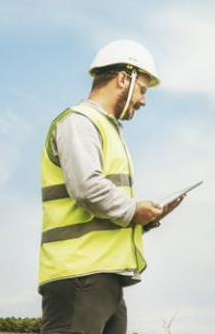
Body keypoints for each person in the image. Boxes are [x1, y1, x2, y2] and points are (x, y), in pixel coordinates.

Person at [38, 39, 183, 334]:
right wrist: (133, 211)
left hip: (104, 279)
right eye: (142, 89)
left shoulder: (108, 129)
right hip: (80, 277)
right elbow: (87, 189)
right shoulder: (80, 122)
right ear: (122, 79)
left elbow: (102, 209)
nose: (143, 100)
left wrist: (145, 219)